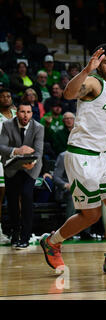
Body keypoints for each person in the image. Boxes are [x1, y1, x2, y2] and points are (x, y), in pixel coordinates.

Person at [39, 43, 106, 274]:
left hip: (104, 156)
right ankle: (52, 242)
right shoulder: (93, 83)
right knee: (91, 214)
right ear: (99, 64)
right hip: (81, 154)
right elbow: (68, 94)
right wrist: (86, 70)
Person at [0, 103, 44, 249]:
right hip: (12, 167)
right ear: (16, 113)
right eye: (22, 112)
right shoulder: (7, 125)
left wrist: (32, 161)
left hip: (30, 168)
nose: (25, 115)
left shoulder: (38, 127)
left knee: (26, 196)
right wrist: (18, 151)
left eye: (28, 112)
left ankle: (25, 237)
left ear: (32, 114)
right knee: (12, 201)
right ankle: (15, 232)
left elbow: (38, 151)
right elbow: (2, 147)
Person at [0, 88, 17, 244]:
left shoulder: (17, 115)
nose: (6, 98)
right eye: (3, 96)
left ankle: (17, 231)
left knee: (17, 196)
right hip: (1, 157)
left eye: (8, 95)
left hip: (16, 158)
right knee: (1, 194)